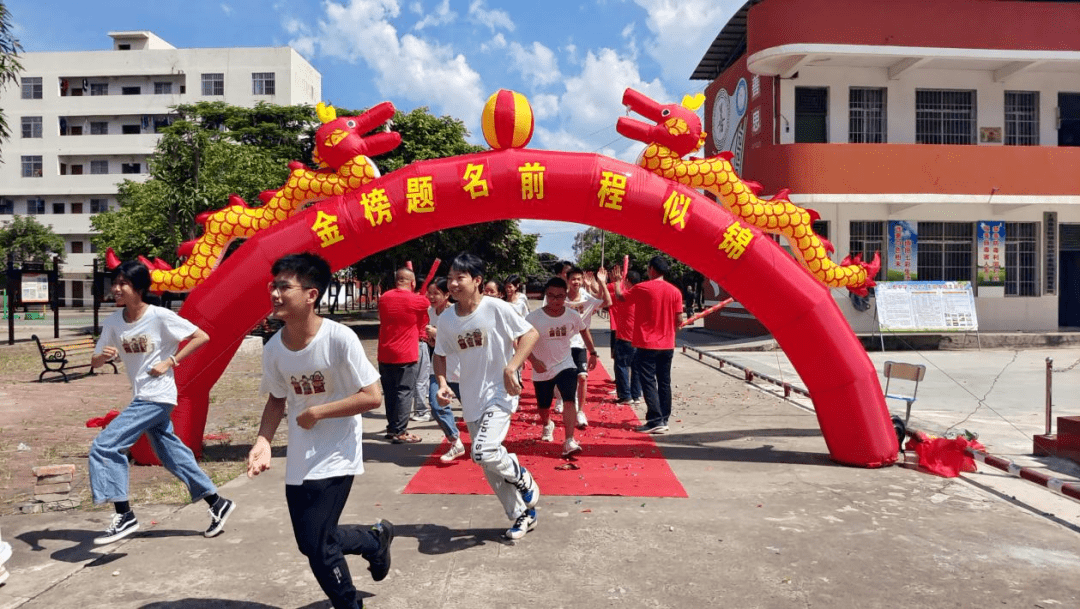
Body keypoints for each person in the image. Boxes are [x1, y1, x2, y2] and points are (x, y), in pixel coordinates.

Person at [248, 253, 393, 609]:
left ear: (311, 295)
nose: (276, 294)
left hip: (338, 451)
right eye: (274, 286)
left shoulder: (339, 339)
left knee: (319, 547)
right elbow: (276, 400)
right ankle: (373, 540)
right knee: (310, 542)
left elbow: (373, 396)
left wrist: (319, 411)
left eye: (285, 286)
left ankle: (348, 604)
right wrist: (263, 441)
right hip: (301, 453)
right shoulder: (274, 348)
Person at [88, 261, 235, 545]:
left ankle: (124, 513)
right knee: (172, 455)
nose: (116, 289)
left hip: (158, 395)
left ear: (139, 288)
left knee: (105, 445)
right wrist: (102, 357)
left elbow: (201, 336)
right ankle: (218, 503)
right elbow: (95, 361)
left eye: (123, 284)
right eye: (114, 283)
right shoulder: (113, 322)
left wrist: (171, 361)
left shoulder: (158, 316)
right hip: (142, 395)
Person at [433, 253, 541, 540]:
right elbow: (439, 355)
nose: (453, 283)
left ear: (477, 280)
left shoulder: (496, 308)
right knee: (486, 461)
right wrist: (442, 383)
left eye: (460, 277)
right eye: (451, 277)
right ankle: (520, 514)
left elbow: (530, 334)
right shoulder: (446, 320)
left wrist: (512, 367)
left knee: (482, 452)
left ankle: (522, 477)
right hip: (471, 397)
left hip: (500, 393)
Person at [526, 277, 597, 457]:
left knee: (568, 399)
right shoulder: (533, 318)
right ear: (545, 296)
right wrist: (533, 361)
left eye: (559, 297)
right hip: (542, 368)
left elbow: (583, 330)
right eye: (551, 296)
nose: (555, 301)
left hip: (565, 364)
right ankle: (547, 423)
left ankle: (569, 440)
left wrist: (593, 352)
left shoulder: (572, 315)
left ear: (565, 297)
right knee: (543, 406)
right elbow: (519, 340)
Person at [615, 256, 685, 434]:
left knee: (648, 382)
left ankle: (655, 419)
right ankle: (664, 418)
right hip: (667, 345)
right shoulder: (675, 291)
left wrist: (617, 282)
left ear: (652, 269)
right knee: (664, 382)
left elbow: (621, 297)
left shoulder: (643, 287)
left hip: (647, 344)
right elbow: (679, 320)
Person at [377, 267, 430, 444]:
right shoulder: (418, 300)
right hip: (406, 353)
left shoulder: (384, 298)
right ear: (412, 282)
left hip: (385, 352)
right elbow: (426, 310)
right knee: (404, 392)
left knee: (390, 392)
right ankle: (400, 431)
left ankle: (392, 427)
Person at [424, 277, 466, 462]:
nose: (431, 297)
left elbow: (462, 339)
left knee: (473, 409)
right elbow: (438, 343)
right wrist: (432, 340)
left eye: (436, 293)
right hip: (440, 368)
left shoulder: (456, 313)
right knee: (436, 405)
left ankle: (488, 443)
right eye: (429, 293)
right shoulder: (430, 311)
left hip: (461, 369)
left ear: (447, 294)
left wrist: (437, 333)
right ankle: (455, 441)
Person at [563, 265, 611, 428]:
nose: (576, 282)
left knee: (582, 377)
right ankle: (564, 402)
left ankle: (580, 412)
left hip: (580, 345)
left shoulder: (587, 300)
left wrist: (602, 283)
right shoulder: (561, 299)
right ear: (568, 281)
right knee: (564, 381)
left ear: (582, 280)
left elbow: (608, 302)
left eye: (578, 278)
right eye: (573, 279)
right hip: (562, 345)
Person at [608, 267, 643, 405]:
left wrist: (617, 281)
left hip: (625, 337)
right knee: (636, 368)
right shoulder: (641, 294)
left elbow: (618, 295)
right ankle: (636, 395)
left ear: (628, 281)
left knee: (621, 366)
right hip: (638, 338)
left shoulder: (629, 294)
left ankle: (625, 395)